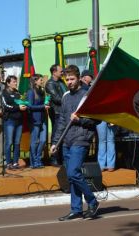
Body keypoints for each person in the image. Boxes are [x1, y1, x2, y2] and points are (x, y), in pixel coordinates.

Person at [50, 65, 99, 221]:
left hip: (81, 138)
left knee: (73, 172)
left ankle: (92, 201)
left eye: (72, 79)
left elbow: (96, 120)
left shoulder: (86, 96)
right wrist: (55, 142)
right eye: (67, 79)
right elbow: (62, 122)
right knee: (71, 177)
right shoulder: (65, 97)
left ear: (78, 78)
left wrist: (80, 120)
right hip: (67, 140)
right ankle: (76, 209)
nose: (69, 82)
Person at [1, 75, 27, 170]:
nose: (16, 83)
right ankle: (8, 163)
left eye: (16, 81)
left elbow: (22, 102)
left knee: (17, 143)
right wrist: (18, 107)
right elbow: (5, 106)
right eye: (13, 82)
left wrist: (24, 104)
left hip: (19, 121)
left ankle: (15, 162)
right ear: (8, 83)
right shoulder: (4, 93)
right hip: (9, 121)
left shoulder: (18, 93)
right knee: (9, 142)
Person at [45, 64, 67, 166]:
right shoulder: (50, 84)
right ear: (54, 72)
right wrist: (69, 100)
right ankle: (54, 158)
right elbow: (56, 98)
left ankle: (62, 158)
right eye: (60, 71)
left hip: (64, 111)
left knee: (64, 135)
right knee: (56, 135)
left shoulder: (62, 82)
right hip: (57, 113)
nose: (62, 72)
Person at [27, 74, 50, 169]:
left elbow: (43, 104)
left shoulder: (41, 91)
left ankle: (38, 158)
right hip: (34, 119)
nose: (42, 81)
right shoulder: (31, 92)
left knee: (43, 140)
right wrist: (43, 107)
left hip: (43, 119)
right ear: (35, 81)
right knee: (34, 141)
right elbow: (30, 106)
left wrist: (47, 102)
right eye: (41, 80)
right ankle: (34, 162)